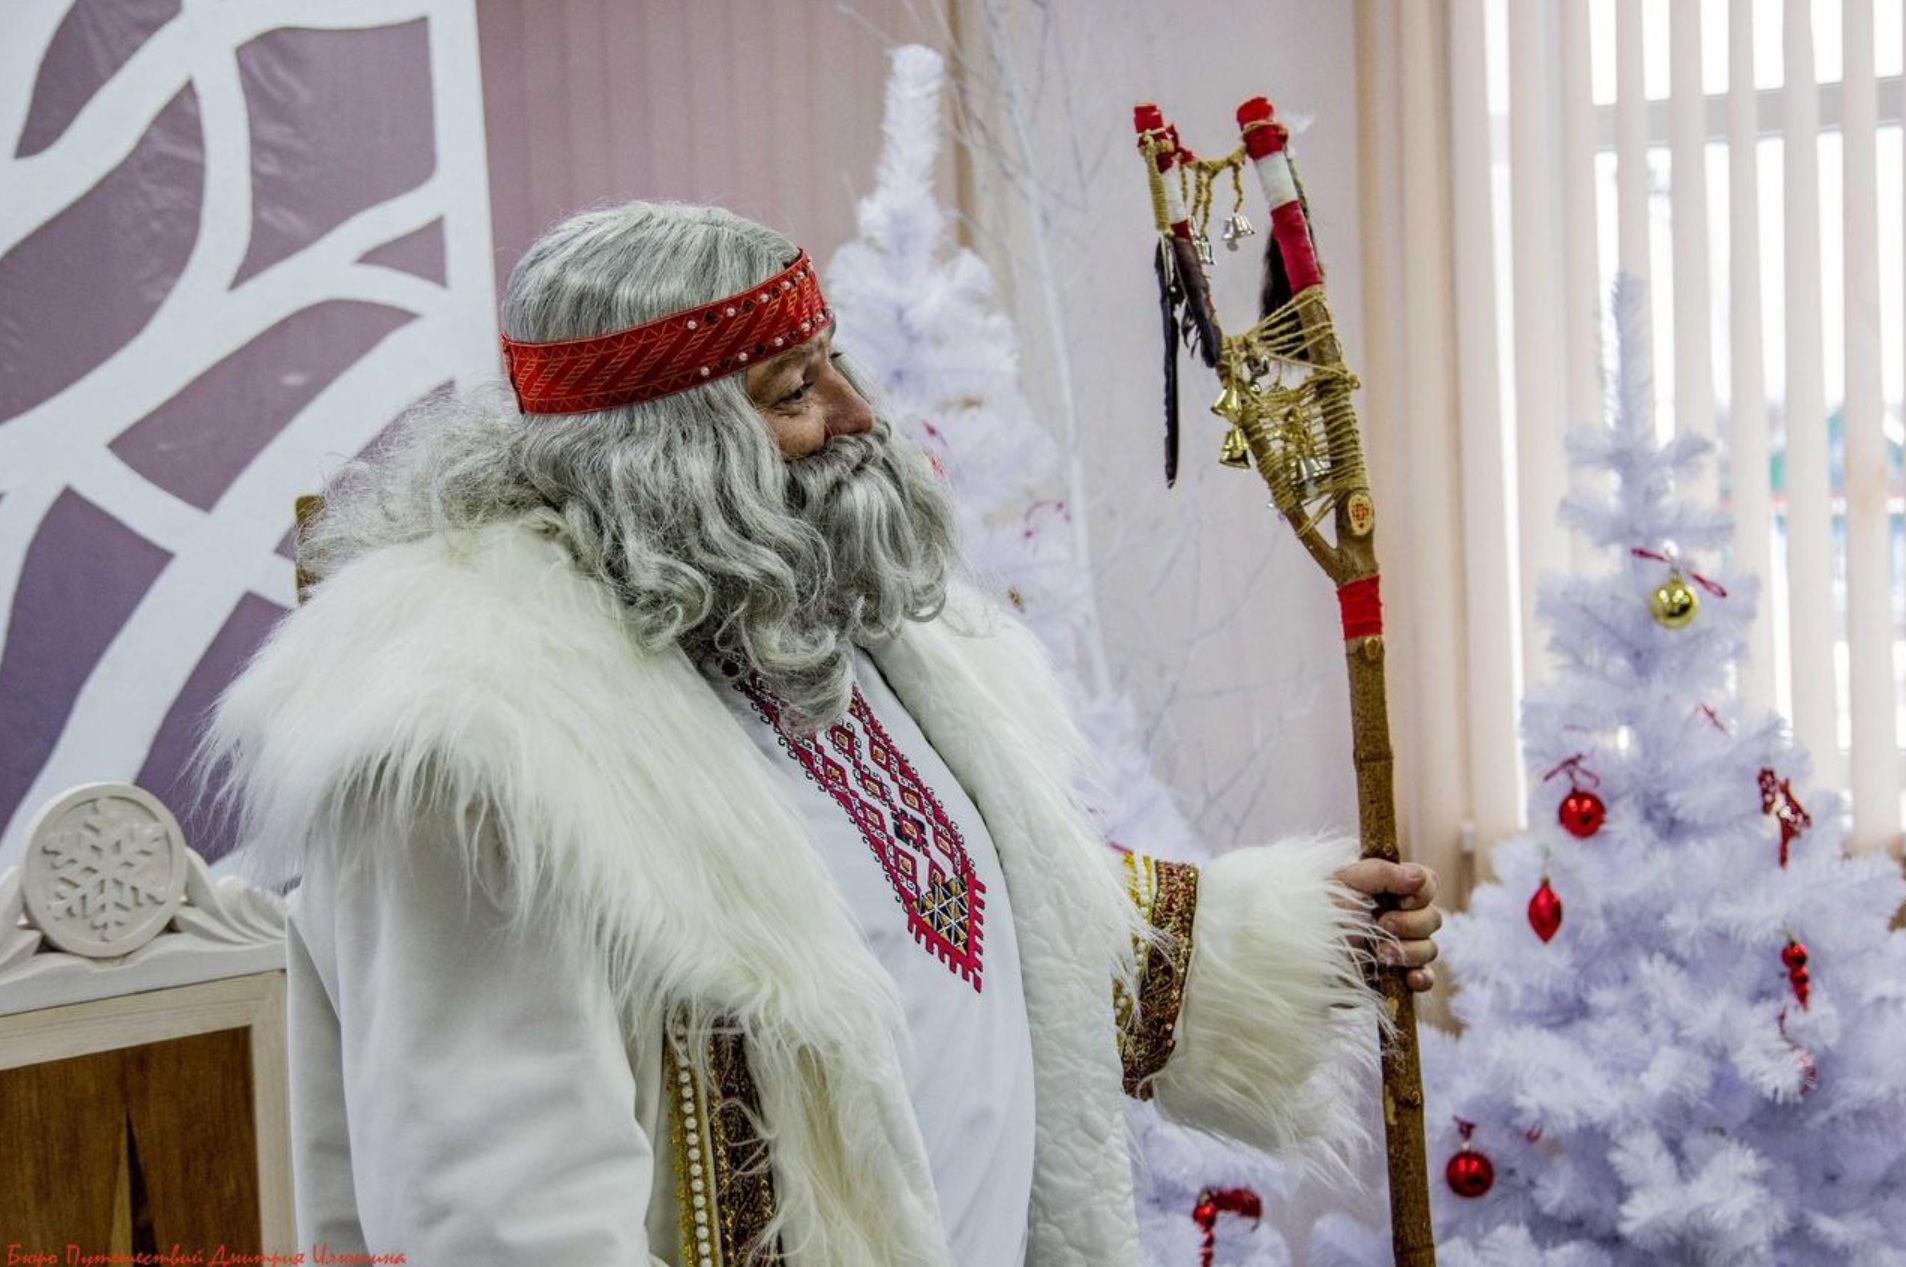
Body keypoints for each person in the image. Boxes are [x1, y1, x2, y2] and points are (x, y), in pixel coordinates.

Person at [210, 201, 1441, 1266]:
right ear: (662, 453)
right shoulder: (471, 757)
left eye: (832, 365)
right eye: (794, 392)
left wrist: (1303, 938)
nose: (859, 415)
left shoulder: (843, 634)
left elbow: (985, 938)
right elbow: (495, 1212)